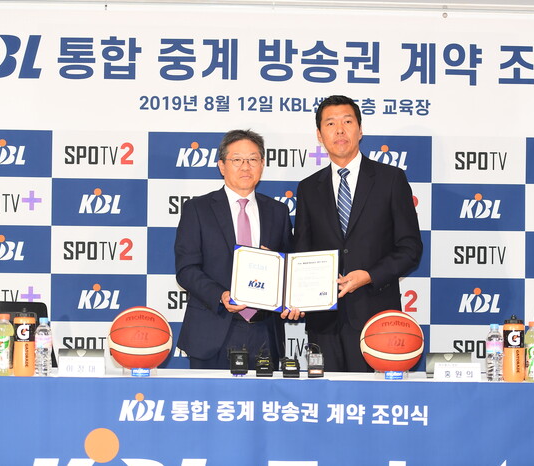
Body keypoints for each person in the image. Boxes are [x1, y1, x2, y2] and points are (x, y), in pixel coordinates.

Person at [294, 95, 423, 372]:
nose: (339, 130)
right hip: (323, 322)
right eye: (330, 123)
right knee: (325, 396)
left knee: (374, 397)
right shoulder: (308, 188)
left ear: (360, 130)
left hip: (377, 322)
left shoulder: (391, 179)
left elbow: (410, 249)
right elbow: (302, 251)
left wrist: (369, 275)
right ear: (319, 135)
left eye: (347, 122)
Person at [175, 129, 298, 370]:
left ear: (262, 164)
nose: (245, 167)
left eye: (253, 159)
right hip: (213, 329)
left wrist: (291, 294)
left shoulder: (278, 212)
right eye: (237, 160)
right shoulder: (197, 209)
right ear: (222, 166)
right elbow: (186, 270)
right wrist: (221, 295)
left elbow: (290, 268)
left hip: (265, 333)